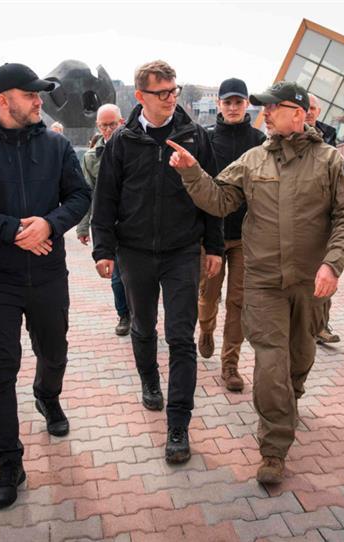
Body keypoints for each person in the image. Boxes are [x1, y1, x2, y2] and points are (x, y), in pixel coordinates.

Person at [167, 81, 344, 484]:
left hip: (311, 283)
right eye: (264, 108)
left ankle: (290, 400)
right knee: (271, 361)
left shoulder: (329, 161)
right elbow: (220, 199)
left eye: (274, 107)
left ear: (300, 112)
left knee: (299, 358)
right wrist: (192, 173)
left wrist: (332, 264)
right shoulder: (254, 159)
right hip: (263, 282)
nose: (266, 114)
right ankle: (273, 448)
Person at [0, 63, 90, 509]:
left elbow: (80, 196)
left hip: (48, 277)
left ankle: (47, 397)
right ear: (4, 100)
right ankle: (9, 464)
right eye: (31, 96)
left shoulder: (56, 144)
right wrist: (13, 231)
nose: (39, 102)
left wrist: (49, 224)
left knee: (54, 354)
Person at [92, 60, 222, 465]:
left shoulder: (195, 137)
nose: (171, 98)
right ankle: (150, 381)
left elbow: (212, 194)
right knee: (143, 326)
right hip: (134, 253)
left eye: (174, 91)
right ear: (141, 97)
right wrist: (103, 249)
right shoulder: (122, 141)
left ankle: (178, 425)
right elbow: (106, 198)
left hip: (183, 250)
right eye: (162, 92)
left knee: (180, 337)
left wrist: (214, 247)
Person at [196, 78, 265, 392]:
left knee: (238, 302)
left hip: (245, 238)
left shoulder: (260, 140)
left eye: (239, 102)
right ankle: (206, 328)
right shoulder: (206, 139)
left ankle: (230, 365)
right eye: (228, 102)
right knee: (209, 296)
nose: (233, 107)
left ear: (247, 103)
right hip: (212, 236)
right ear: (219, 104)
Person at [76, 104, 129, 335]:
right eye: (104, 125)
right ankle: (124, 315)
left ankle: (140, 314)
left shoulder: (134, 148)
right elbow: (86, 192)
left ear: (122, 122)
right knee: (116, 277)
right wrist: (82, 227)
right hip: (107, 225)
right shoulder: (91, 157)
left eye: (113, 124)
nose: (109, 130)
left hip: (133, 222)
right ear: (98, 126)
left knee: (137, 275)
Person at [306, 93, 340, 344]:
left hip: (323, 216)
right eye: (304, 107)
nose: (308, 112)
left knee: (324, 273)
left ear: (319, 111)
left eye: (313, 108)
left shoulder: (329, 135)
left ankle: (321, 326)